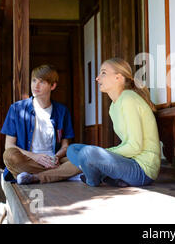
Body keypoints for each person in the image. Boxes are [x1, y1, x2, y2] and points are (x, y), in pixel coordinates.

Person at [67, 58, 160, 187]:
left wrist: (103, 153)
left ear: (118, 78)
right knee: (73, 149)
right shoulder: (113, 107)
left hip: (142, 170)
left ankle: (93, 179)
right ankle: (102, 174)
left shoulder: (128, 99)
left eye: (103, 73)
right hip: (128, 162)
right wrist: (102, 155)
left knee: (88, 153)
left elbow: (135, 146)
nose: (97, 78)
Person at [1, 65, 81, 184]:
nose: (35, 86)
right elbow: (9, 145)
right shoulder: (17, 109)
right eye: (34, 80)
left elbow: (65, 146)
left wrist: (56, 157)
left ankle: (34, 177)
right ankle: (58, 175)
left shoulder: (62, 111)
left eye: (42, 82)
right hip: (28, 160)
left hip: (53, 161)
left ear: (52, 86)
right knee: (9, 155)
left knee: (81, 160)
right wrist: (35, 156)